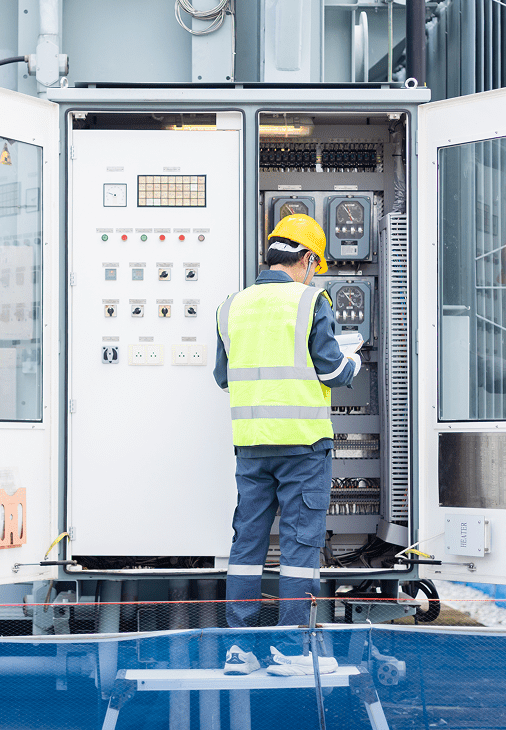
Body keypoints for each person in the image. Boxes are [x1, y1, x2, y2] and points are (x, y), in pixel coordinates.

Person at [213, 213, 360, 672]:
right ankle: (293, 651)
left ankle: (239, 651)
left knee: (247, 546)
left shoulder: (231, 305)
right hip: (303, 448)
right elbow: (334, 372)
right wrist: (352, 360)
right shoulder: (311, 301)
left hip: (252, 447)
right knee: (297, 549)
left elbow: (223, 377)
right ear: (308, 259)